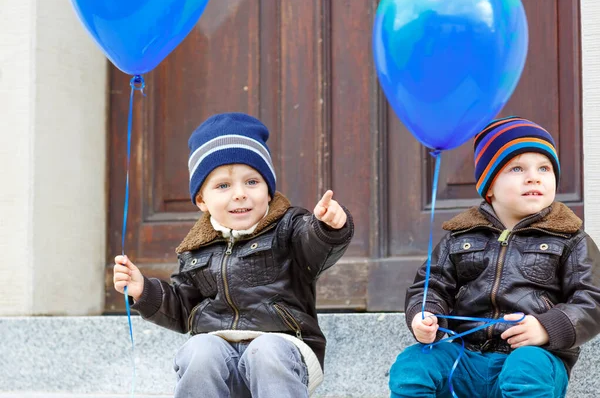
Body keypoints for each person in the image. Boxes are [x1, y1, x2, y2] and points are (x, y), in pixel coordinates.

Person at [113, 112, 354, 398]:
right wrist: (144, 291)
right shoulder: (195, 248)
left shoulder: (290, 228)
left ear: (268, 191)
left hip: (283, 354)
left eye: (252, 182)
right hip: (220, 360)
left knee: (266, 351)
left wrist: (328, 227)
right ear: (202, 200)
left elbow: (315, 245)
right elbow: (182, 308)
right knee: (199, 350)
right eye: (223, 186)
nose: (240, 194)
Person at [389, 116, 600, 397]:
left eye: (544, 168)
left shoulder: (570, 238)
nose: (533, 176)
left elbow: (592, 299)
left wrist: (547, 328)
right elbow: (431, 286)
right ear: (489, 186)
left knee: (526, 366)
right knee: (414, 362)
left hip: (534, 357)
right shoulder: (460, 236)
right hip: (464, 358)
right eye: (516, 168)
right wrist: (425, 315)